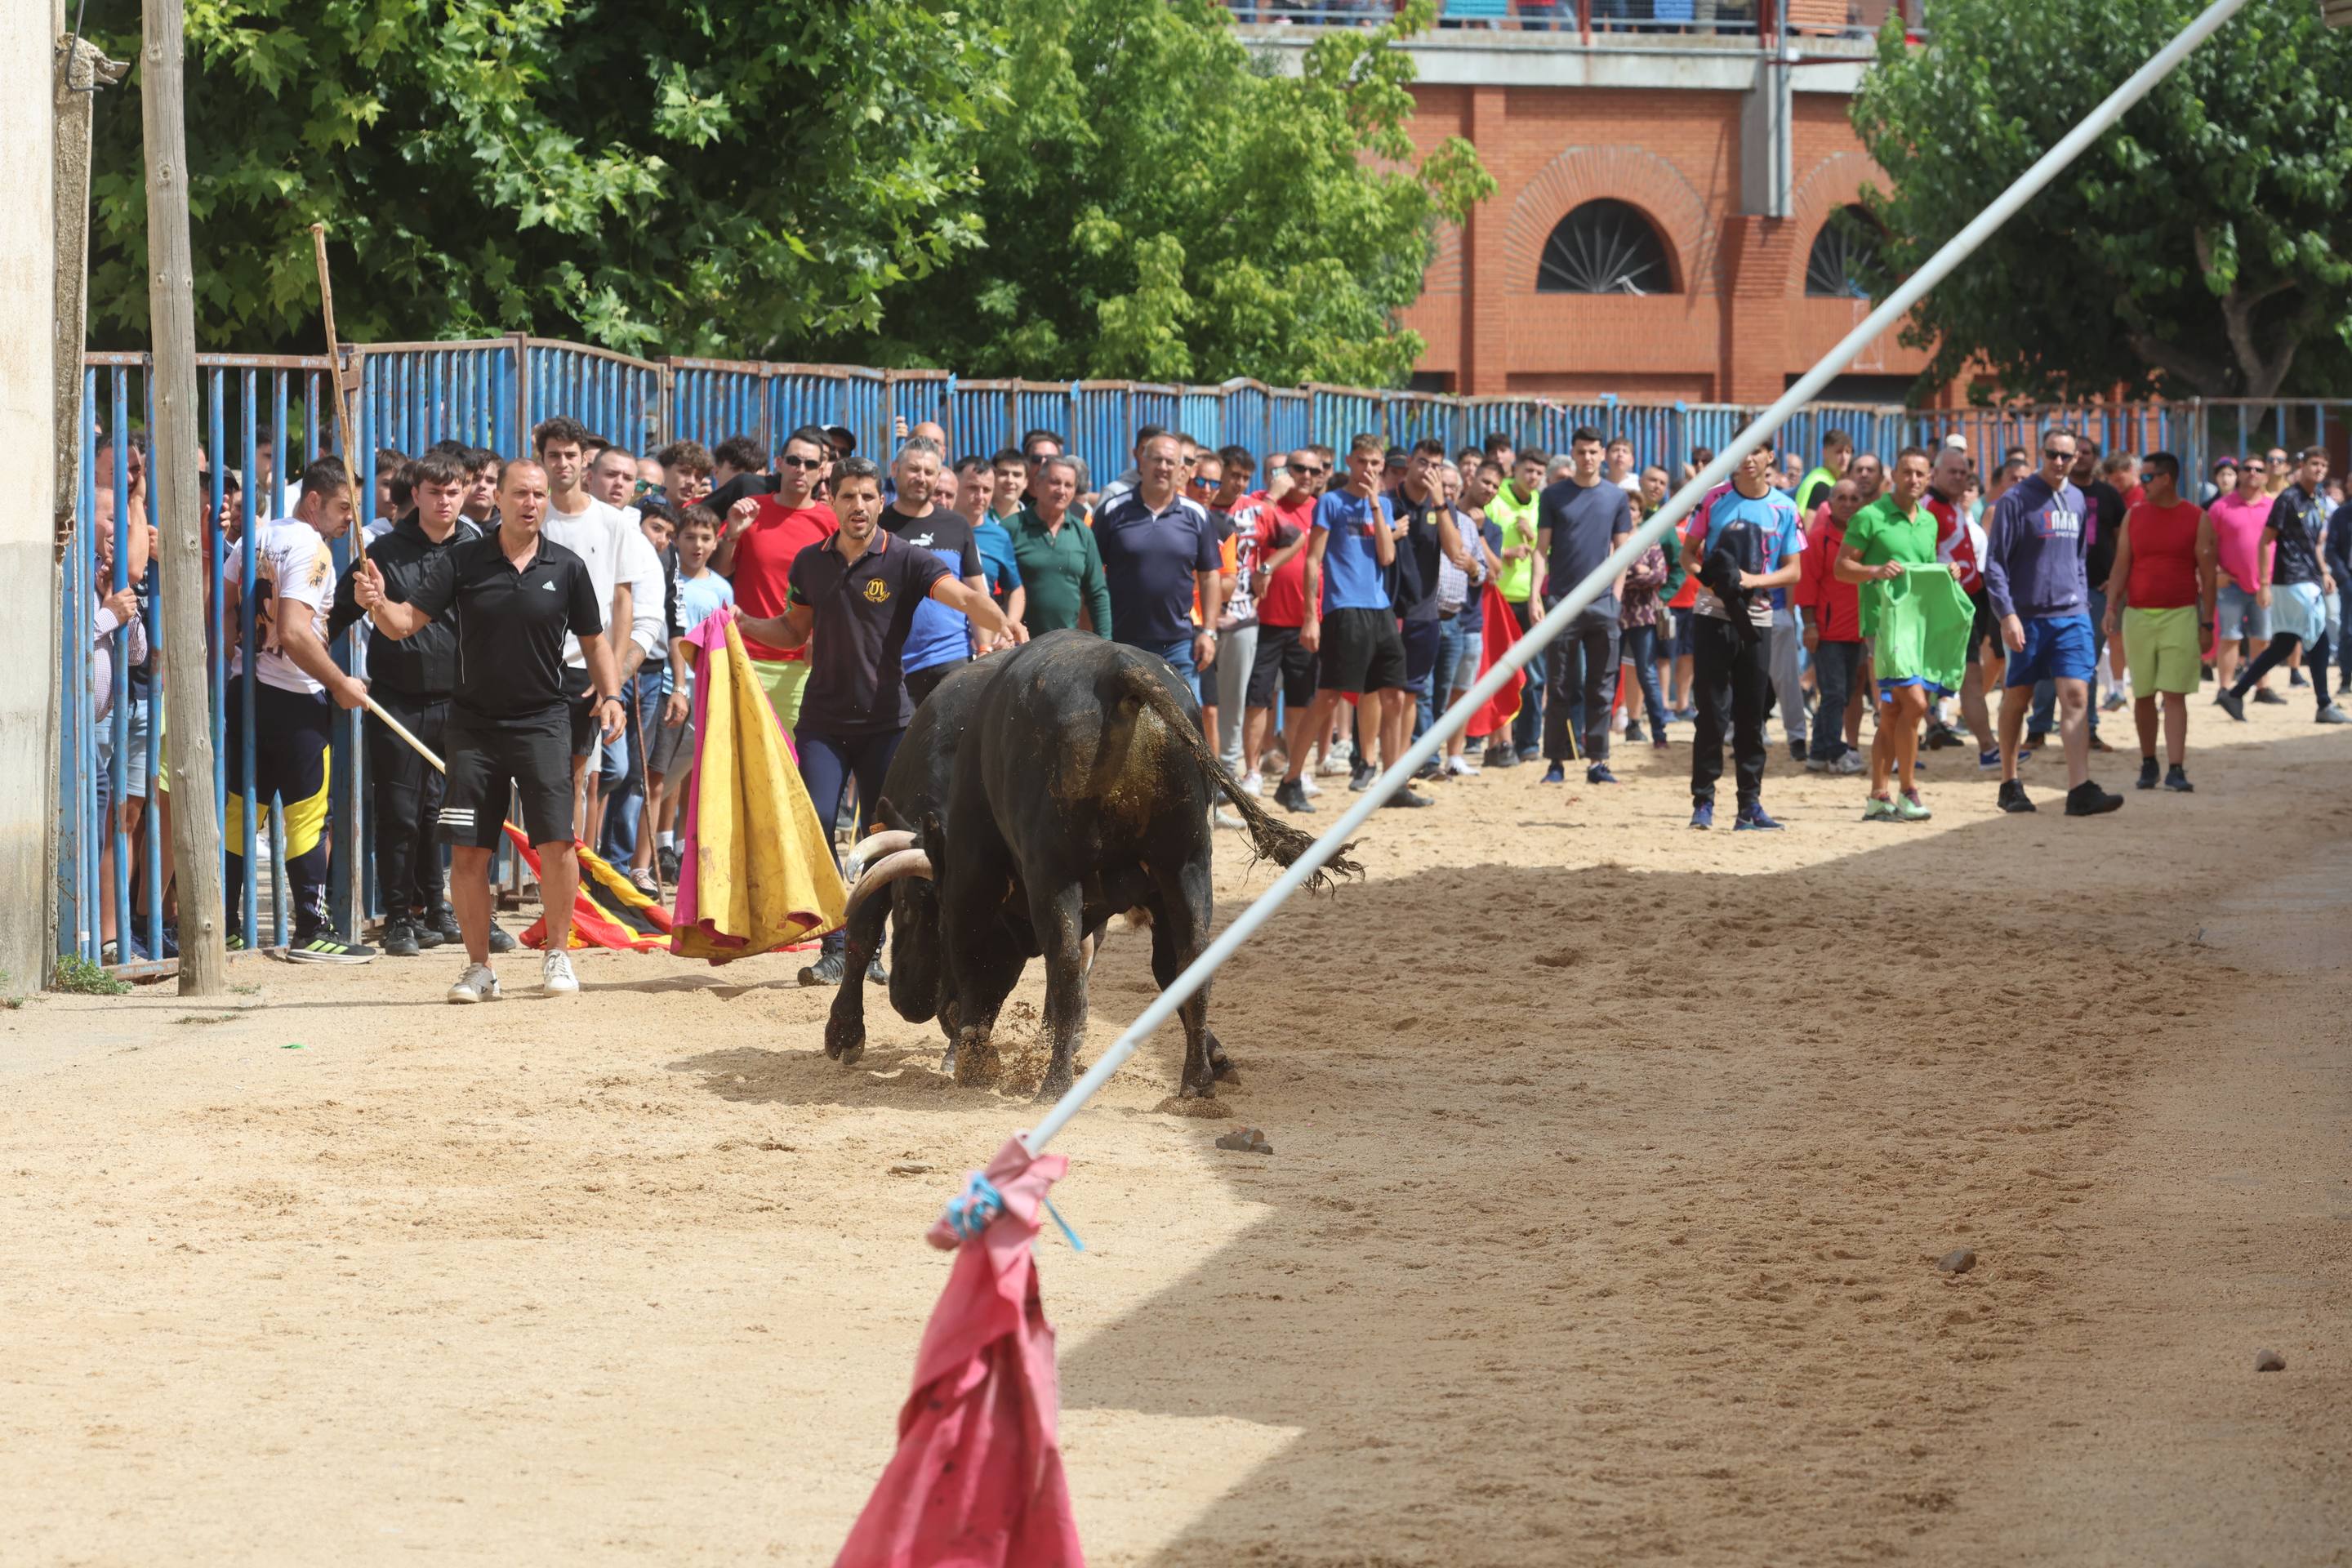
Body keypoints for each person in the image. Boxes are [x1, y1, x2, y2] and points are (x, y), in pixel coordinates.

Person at [732, 457, 1010, 987]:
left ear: (881, 502)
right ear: (831, 501)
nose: (857, 506)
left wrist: (1001, 625)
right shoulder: (810, 563)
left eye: (866, 496)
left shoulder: (907, 558)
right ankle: (837, 946)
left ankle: (873, 948)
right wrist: (743, 623)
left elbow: (964, 597)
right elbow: (793, 632)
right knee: (818, 824)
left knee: (886, 838)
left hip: (887, 724)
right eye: (847, 496)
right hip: (822, 723)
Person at [355, 458, 621, 1001]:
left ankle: (558, 954)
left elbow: (595, 642)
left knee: (557, 844)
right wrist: (377, 603)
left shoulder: (567, 566)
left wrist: (612, 696)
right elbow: (404, 625)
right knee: (469, 851)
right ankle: (479, 968)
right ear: (497, 498)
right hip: (473, 727)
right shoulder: (463, 560)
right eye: (521, 493)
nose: (531, 503)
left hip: (544, 721)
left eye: (539, 495)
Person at [327, 450, 492, 956]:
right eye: (434, 492)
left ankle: (443, 909)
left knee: (453, 812)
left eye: (453, 492)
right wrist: (317, 668)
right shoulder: (382, 552)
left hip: (462, 700)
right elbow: (335, 615)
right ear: (415, 494)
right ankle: (399, 916)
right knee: (400, 811)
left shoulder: (478, 548)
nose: (444, 501)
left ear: (464, 493)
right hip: (398, 699)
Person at [219, 457, 376, 962]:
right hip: (296, 697)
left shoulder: (256, 537)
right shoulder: (312, 547)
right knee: (307, 816)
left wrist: (238, 656)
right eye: (344, 507)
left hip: (248, 690)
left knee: (242, 811)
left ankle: (227, 926)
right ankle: (311, 929)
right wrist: (340, 682)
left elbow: (223, 603)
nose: (350, 519)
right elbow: (292, 630)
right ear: (313, 500)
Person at [1275, 435, 1425, 812]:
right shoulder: (1331, 502)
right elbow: (1313, 560)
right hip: (1343, 608)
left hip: (1380, 609)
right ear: (1349, 461)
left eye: (1375, 463)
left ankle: (1393, 783)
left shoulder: (1383, 505)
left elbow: (1387, 557)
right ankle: (1291, 780)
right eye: (1362, 462)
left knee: (1394, 696)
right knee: (1329, 696)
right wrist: (1311, 617)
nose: (1369, 469)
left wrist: (1375, 504)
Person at [1982, 429, 2124, 817]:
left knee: (2077, 695)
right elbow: (1995, 565)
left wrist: (2081, 599)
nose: (2059, 462)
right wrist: (2007, 614)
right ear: (2041, 454)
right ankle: (2009, 782)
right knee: (2018, 698)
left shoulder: (2077, 499)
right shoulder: (2015, 500)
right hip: (2026, 616)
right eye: (2052, 454)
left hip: (2072, 615)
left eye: (2066, 456)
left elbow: (2078, 558)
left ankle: (2080, 789)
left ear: (2077, 458)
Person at [1679, 443, 1803, 831]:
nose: (1748, 459)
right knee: (1712, 713)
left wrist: (1753, 580)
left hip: (1758, 619)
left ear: (1770, 458)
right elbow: (1688, 555)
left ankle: (1749, 805)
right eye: (1742, 451)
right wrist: (1711, 583)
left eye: (1757, 451)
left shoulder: (1785, 508)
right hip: (1711, 615)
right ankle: (1703, 802)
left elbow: (1794, 571)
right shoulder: (1713, 499)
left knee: (1752, 715)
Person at [1837, 448, 1952, 822]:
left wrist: (1947, 573)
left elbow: (1924, 574)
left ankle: (1878, 796)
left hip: (1917, 626)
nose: (1913, 479)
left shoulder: (1930, 521)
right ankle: (1909, 790)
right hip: (1883, 626)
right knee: (1916, 704)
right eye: (1907, 472)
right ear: (1894, 475)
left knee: (1892, 711)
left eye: (1920, 473)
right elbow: (1842, 568)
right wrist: (1874, 571)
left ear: (1929, 478)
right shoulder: (1870, 516)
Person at [2101, 452, 2215, 791]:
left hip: (2181, 614)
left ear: (2167, 479)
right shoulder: (2134, 516)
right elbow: (2122, 564)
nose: (2143, 484)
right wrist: (2111, 606)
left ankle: (2176, 768)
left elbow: (2208, 576)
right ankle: (2149, 762)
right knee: (2143, 694)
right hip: (2138, 615)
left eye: (2148, 477)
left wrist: (2207, 623)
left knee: (2175, 693)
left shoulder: (2197, 518)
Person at [713, 425, 836, 731]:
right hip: (745, 653)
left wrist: (819, 636)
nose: (800, 469)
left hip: (802, 663)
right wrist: (732, 535)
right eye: (794, 461)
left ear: (821, 471)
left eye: (810, 464)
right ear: (779, 463)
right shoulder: (750, 510)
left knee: (795, 755)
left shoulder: (830, 521)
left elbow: (840, 588)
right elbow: (719, 572)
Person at [2215, 446, 2345, 725]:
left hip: (2308, 577)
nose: (2319, 469)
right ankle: (2324, 703)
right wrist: (2264, 582)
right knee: (2319, 639)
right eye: (2314, 464)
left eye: (2323, 465)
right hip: (2292, 579)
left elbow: (2314, 543)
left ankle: (2235, 694)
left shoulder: (2317, 499)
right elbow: (2266, 540)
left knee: (2285, 642)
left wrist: (2324, 571)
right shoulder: (2288, 498)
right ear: (2301, 466)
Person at [1536, 426, 1634, 786]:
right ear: (1573, 453)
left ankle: (1598, 761)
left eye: (1594, 451)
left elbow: (1623, 551)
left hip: (1603, 605)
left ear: (1603, 454)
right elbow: (1541, 549)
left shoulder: (1616, 497)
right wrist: (1536, 596)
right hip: (1562, 602)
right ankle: (1556, 762)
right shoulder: (1553, 495)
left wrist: (1617, 597)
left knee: (1601, 686)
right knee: (1560, 686)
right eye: (1581, 452)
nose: (1588, 458)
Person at [1093, 431, 1223, 698]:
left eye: (1170, 462)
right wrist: (1094, 637)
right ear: (1142, 462)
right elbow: (1092, 578)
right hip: (1121, 643)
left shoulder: (1197, 515)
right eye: (1156, 459)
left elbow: (1210, 577)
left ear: (1182, 470)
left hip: (1179, 646)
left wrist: (1209, 632)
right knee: (1120, 722)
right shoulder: (1112, 511)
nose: (1163, 467)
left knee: (1185, 722)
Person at [651, 505, 737, 882]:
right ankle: (657, 845)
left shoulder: (721, 589)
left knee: (691, 769)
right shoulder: (663, 578)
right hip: (666, 687)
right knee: (659, 772)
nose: (697, 545)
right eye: (689, 537)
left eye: (705, 538)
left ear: (716, 543)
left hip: (703, 690)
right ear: (676, 540)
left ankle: (684, 845)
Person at [882, 437, 991, 709]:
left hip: (952, 659)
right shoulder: (878, 526)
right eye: (913, 469)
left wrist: (984, 650)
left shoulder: (957, 525)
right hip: (893, 665)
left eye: (929, 472)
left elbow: (976, 593)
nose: (921, 478)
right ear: (895, 469)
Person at [1242, 454, 1322, 796]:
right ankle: (1252, 771)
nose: (1306, 475)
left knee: (1300, 702)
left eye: (1314, 470)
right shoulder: (1260, 502)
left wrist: (1315, 617)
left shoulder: (1320, 509)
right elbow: (1252, 536)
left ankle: (1296, 770)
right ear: (1284, 472)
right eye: (1299, 468)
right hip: (1263, 620)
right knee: (1257, 699)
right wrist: (1273, 497)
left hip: (1305, 621)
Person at [1923, 445, 2001, 770]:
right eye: (1952, 472)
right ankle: (1901, 748)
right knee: (1915, 680)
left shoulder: (1953, 506)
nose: (1958, 478)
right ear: (1935, 474)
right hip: (1937, 606)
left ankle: (1988, 749)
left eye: (1963, 473)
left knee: (1970, 674)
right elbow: (1924, 557)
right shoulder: (1929, 507)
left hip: (1963, 604)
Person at [1795, 477, 1866, 775]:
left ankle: (1817, 753)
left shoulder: (1864, 537)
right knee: (1835, 693)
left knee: (1844, 693)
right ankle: (1835, 753)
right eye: (1841, 498)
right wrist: (1810, 625)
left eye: (1854, 499)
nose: (1848, 504)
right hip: (1827, 632)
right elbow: (1806, 585)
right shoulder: (1819, 538)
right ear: (1830, 503)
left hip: (1857, 631)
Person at [1390, 439, 1454, 758]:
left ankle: (1400, 768)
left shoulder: (1441, 507)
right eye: (1423, 463)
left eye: (1436, 466)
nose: (1429, 471)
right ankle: (1369, 759)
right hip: (1388, 611)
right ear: (1410, 464)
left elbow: (1456, 552)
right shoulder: (1388, 502)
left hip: (1424, 613)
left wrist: (1440, 503)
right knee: (1385, 693)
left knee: (1411, 693)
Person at [1486, 448, 1547, 766]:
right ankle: (1495, 743)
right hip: (1499, 599)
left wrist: (1532, 536)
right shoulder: (1496, 500)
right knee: (1497, 674)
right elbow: (1477, 542)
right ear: (1516, 470)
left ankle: (1528, 743)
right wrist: (1506, 552)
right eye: (1528, 470)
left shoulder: (1540, 504)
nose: (1533, 477)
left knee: (1534, 676)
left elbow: (1546, 551)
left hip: (1530, 600)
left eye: (1539, 473)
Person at [1009, 456, 1113, 638]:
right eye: (1055, 482)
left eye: (1069, 485)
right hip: (1019, 645)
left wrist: (1107, 642)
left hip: (1067, 645)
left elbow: (1097, 593)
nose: (1062, 491)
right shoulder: (1011, 528)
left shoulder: (1083, 533)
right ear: (1037, 484)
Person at [2207, 452, 2280, 703]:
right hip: (2231, 584)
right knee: (2230, 637)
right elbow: (2207, 544)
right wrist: (2216, 572)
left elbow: (2283, 544)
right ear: (2239, 474)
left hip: (2265, 584)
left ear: (2266, 476)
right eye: (2248, 468)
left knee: (2262, 638)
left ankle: (2262, 688)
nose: (2253, 473)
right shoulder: (2221, 507)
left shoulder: (2273, 507)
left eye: (2259, 470)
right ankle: (2224, 689)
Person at [1793, 429, 1852, 515]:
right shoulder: (1821, 484)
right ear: (1824, 453)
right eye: (1839, 452)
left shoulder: (1818, 476)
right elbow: (1810, 521)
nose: (1844, 458)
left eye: (1848, 452)